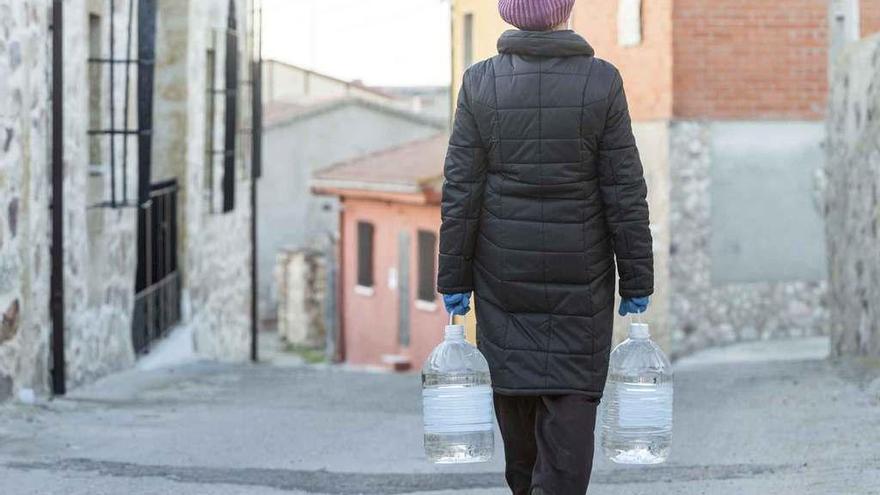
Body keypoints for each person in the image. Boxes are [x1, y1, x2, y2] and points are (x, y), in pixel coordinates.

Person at [437, 0, 654, 493]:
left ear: (509, 14)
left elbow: (461, 191)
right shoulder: (601, 81)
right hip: (583, 284)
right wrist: (637, 279)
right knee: (571, 416)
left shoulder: (479, 83)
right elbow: (624, 189)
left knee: (517, 416)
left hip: (502, 281)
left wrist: (455, 281)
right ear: (565, 11)